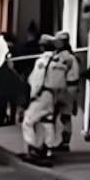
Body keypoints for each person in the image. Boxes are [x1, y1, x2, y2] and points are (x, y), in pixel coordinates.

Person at [21, 34, 63, 166]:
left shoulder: (42, 61)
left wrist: (32, 96)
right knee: (47, 121)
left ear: (42, 46)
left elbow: (36, 80)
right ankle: (49, 149)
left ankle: (33, 149)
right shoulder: (58, 60)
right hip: (53, 95)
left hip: (41, 94)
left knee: (28, 121)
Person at [50, 31, 82, 153]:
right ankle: (60, 141)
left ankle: (62, 142)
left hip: (67, 88)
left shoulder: (66, 57)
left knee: (64, 116)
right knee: (62, 116)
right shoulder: (65, 56)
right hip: (65, 88)